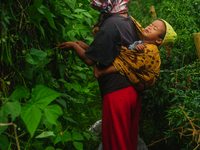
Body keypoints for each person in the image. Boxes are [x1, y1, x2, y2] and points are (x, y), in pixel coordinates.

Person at [58, 0, 160, 149]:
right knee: (128, 142)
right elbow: (111, 51)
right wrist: (85, 46)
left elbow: (89, 60)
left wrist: (73, 45)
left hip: (117, 94)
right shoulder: (127, 18)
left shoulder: (110, 24)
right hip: (131, 92)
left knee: (117, 144)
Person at [93, 19, 177, 91]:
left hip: (143, 79)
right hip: (133, 67)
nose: (150, 27)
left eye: (155, 28)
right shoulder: (140, 42)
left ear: (158, 41)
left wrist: (122, 50)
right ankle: (92, 49)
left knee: (123, 65)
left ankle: (100, 72)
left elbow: (139, 59)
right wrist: (132, 48)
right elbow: (130, 50)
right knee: (123, 57)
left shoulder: (152, 49)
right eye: (150, 25)